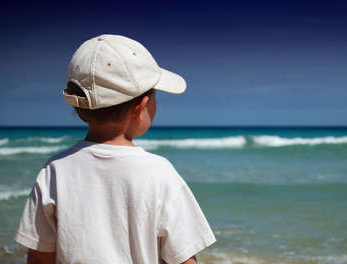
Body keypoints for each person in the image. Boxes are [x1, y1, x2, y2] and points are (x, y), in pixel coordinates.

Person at [14, 34, 216, 264]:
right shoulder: (160, 173)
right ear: (140, 107)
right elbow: (184, 259)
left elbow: (39, 259)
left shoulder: (54, 171)